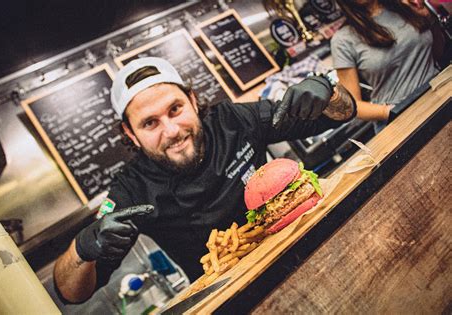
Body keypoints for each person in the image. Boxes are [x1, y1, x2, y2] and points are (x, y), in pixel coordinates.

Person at [54, 57, 357, 303]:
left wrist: (328, 90)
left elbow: (342, 113)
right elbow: (71, 294)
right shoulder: (132, 189)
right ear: (130, 134)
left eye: (175, 109)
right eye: (150, 123)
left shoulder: (233, 120)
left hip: (303, 251)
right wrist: (82, 248)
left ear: (194, 100)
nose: (171, 130)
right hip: (231, 299)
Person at [331, 0, 440, 128]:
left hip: (439, 94)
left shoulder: (406, 7)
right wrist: (393, 111)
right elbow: (353, 105)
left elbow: (436, 49)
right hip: (400, 120)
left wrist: (430, 16)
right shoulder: (343, 40)